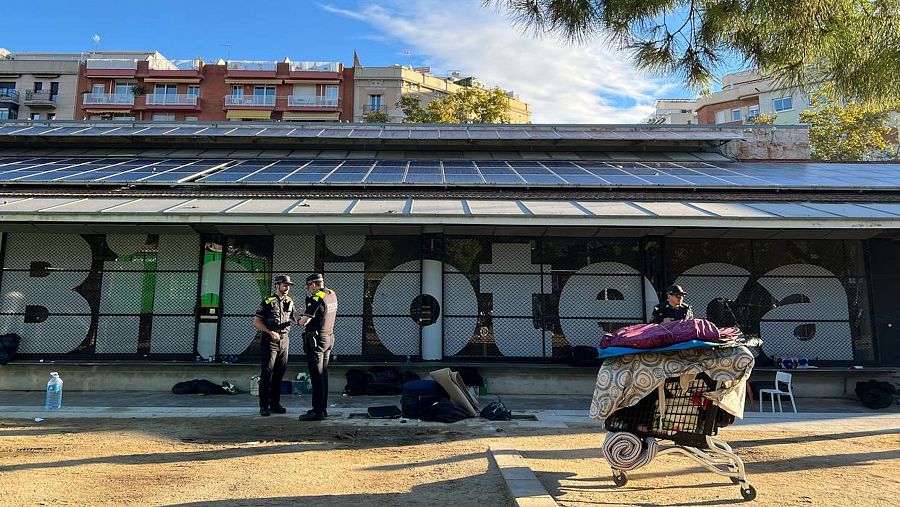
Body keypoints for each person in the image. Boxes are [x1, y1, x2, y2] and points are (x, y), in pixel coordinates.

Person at [252, 274, 298, 417]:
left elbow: (294, 318)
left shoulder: (290, 301)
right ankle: (264, 405)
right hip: (270, 341)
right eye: (284, 285)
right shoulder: (268, 301)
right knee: (267, 373)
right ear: (277, 285)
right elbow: (256, 322)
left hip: (284, 340)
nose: (287, 288)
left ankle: (275, 403)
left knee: (279, 373)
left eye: (288, 285)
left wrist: (302, 317)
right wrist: (270, 332)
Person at [297, 273, 338, 422]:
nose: (309, 290)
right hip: (328, 338)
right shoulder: (331, 294)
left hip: (316, 340)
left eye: (309, 286)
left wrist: (298, 318)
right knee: (323, 374)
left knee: (316, 376)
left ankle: (317, 411)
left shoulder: (317, 297)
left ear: (313, 284)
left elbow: (303, 322)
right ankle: (323, 408)